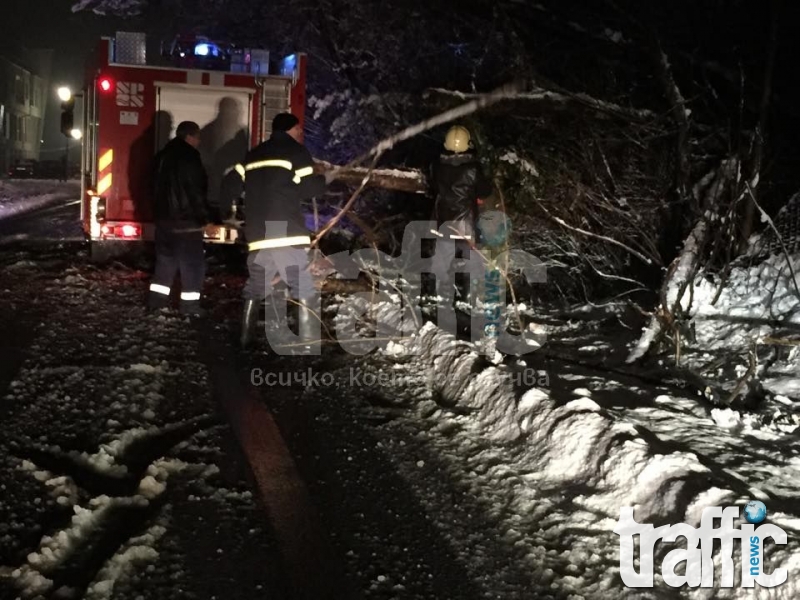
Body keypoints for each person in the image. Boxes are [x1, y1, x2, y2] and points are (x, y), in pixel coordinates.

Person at [222, 112, 329, 349]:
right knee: (302, 284)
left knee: (257, 284)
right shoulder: (296, 152)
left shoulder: (254, 154)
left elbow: (230, 182)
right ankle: (310, 342)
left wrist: (229, 211)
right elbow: (310, 189)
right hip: (286, 230)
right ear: (291, 129)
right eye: (299, 129)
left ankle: (245, 338)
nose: (301, 133)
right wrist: (325, 179)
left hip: (259, 233)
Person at [147, 120, 219, 316]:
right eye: (197, 138)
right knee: (193, 265)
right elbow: (195, 192)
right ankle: (190, 307)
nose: (199, 142)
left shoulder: (161, 156)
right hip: (186, 223)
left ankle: (156, 304)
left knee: (165, 262)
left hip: (164, 221)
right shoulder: (190, 157)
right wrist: (206, 220)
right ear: (190, 136)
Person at [430, 125, 493, 302]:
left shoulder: (436, 167)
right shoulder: (473, 169)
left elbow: (433, 187)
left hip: (443, 222)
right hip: (466, 224)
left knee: (442, 260)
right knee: (473, 261)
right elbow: (485, 190)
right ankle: (472, 296)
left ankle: (437, 295)